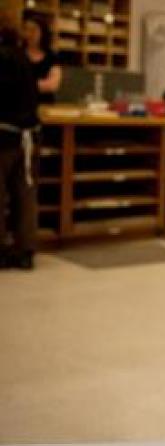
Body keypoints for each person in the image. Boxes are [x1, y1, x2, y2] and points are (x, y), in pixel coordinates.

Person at [0, 9, 39, 269]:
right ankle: (25, 250)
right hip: (27, 136)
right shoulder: (24, 58)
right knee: (24, 195)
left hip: (2, 136)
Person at [22, 15, 61, 104]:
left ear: (43, 32)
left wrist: (24, 86)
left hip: (45, 106)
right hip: (21, 106)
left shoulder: (52, 57)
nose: (28, 34)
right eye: (26, 29)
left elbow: (52, 85)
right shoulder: (16, 55)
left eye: (33, 30)